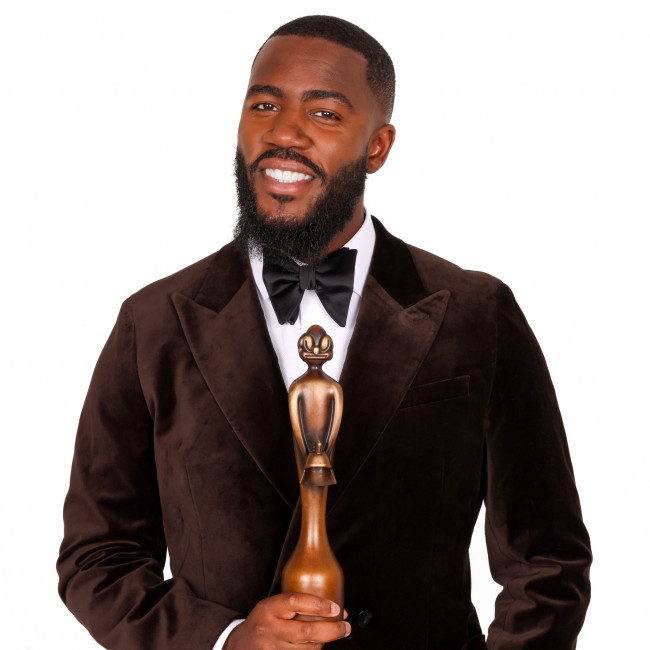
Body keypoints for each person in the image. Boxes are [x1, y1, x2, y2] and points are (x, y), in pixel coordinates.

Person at [57, 15, 592, 650]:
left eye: (325, 113)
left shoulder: (478, 313)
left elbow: (548, 563)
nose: (283, 132)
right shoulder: (152, 323)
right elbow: (98, 558)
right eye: (264, 105)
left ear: (378, 147)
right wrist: (224, 638)